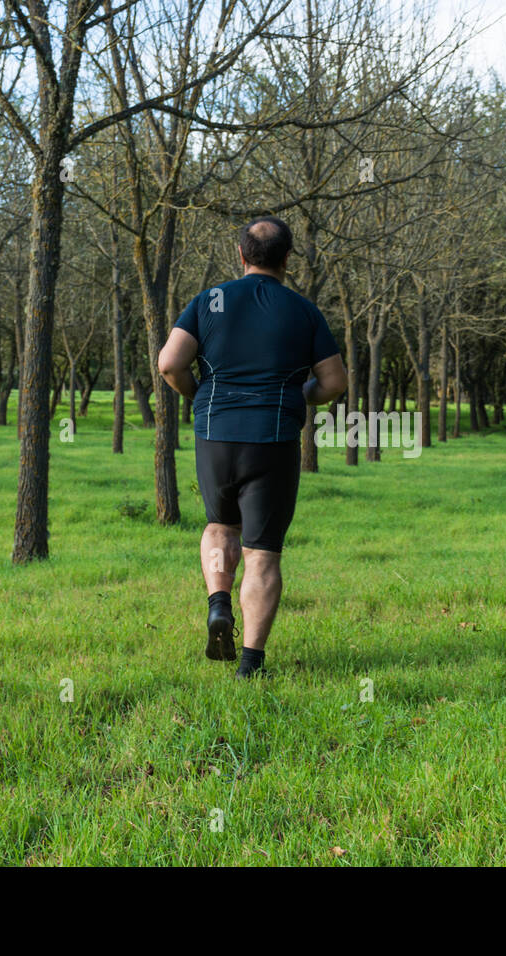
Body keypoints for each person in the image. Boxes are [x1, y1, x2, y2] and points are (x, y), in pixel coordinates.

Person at [158, 216, 348, 678]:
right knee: (262, 552)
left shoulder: (210, 300)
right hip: (275, 438)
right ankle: (250, 664)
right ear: (287, 259)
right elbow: (335, 382)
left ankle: (218, 603)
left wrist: (199, 396)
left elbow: (169, 364)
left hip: (216, 435)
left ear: (240, 255)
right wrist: (300, 396)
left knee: (220, 525)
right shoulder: (302, 310)